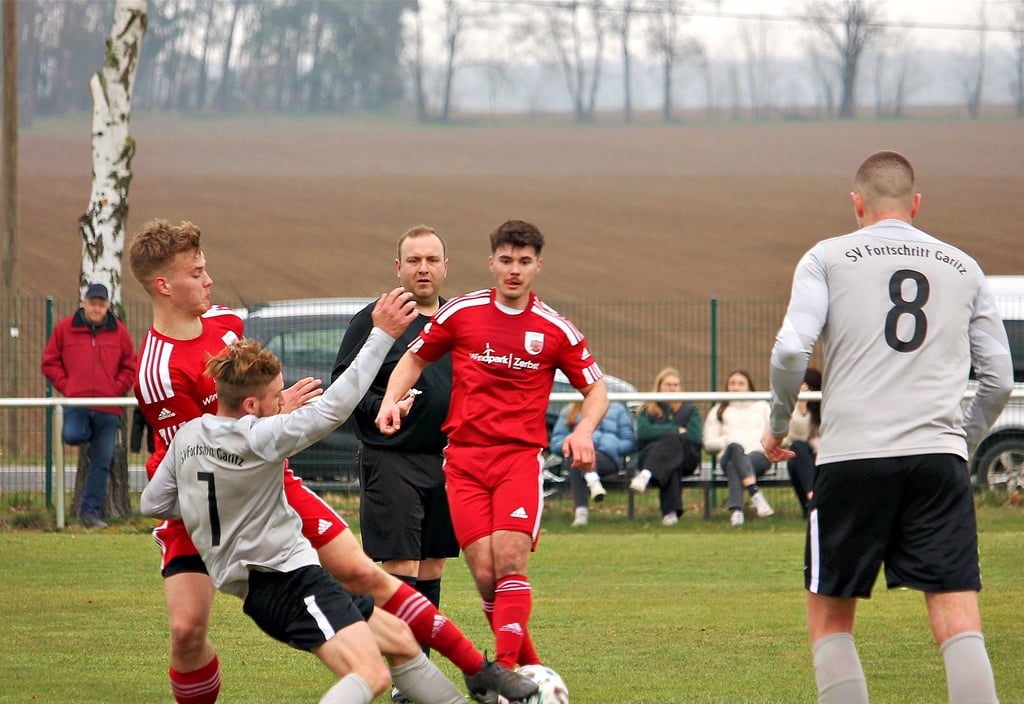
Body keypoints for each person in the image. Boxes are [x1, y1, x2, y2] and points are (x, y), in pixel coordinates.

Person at [129, 220, 535, 704]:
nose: (209, 280)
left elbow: (246, 416)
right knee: (186, 632)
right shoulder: (158, 371)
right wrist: (280, 424)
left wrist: (278, 413)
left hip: (273, 481)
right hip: (205, 505)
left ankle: (476, 668)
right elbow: (204, 460)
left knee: (368, 575)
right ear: (163, 285)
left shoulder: (226, 324)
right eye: (197, 273)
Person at [761, 150, 1014, 704]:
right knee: (957, 614)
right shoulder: (963, 266)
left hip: (852, 455)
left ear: (857, 203)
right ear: (915, 205)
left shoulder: (827, 257)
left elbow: (789, 352)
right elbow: (998, 378)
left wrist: (778, 424)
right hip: (938, 459)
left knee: (830, 617)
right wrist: (960, 442)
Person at [140, 329, 474, 704]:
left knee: (399, 639)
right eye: (277, 396)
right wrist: (381, 335)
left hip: (289, 576)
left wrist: (210, 503)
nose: (284, 401)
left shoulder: (188, 435)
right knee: (371, 673)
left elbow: (153, 504)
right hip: (285, 582)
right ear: (251, 405)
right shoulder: (258, 437)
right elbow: (334, 407)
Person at [376, 219, 610, 673]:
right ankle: (532, 672)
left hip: (518, 461)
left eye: (524, 262)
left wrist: (582, 432)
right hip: (463, 462)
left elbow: (596, 390)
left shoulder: (555, 328)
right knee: (486, 577)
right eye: (506, 260)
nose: (514, 270)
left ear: (537, 266)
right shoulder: (461, 313)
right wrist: (390, 400)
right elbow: (414, 357)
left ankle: (504, 676)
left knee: (509, 562)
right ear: (492, 263)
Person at [331, 225, 458, 703]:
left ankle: (417, 674)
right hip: (392, 459)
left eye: (432, 259)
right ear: (398, 267)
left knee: (433, 565)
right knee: (401, 563)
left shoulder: (457, 319)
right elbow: (344, 384)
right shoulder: (376, 319)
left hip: (447, 460)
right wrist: (384, 405)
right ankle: (406, 676)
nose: (423, 268)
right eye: (414, 260)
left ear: (446, 266)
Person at [41, 282, 136, 529]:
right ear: (84, 303)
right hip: (77, 404)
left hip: (108, 408)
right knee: (72, 435)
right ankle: (88, 434)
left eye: (101, 304)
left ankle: (89, 513)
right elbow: (50, 362)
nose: (96, 308)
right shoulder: (65, 329)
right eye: (93, 303)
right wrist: (68, 386)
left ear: (107, 307)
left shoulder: (120, 333)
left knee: (102, 462)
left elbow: (130, 367)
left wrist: (115, 389)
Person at [628, 367, 702, 526]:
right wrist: (676, 430)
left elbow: (695, 437)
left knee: (673, 445)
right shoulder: (647, 409)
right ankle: (670, 514)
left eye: (676, 385)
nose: (672, 388)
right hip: (650, 456)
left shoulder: (690, 409)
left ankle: (645, 475)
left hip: (687, 459)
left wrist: (666, 433)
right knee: (671, 462)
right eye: (668, 384)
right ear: (659, 386)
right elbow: (644, 432)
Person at [702, 369, 775, 526]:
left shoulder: (763, 407)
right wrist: (727, 441)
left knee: (734, 465)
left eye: (741, 384)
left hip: (758, 456)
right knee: (735, 448)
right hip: (729, 453)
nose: (736, 387)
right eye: (732, 383)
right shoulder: (718, 410)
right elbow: (708, 443)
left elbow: (775, 435)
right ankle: (755, 494)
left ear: (749, 387)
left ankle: (737, 512)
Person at [550, 400, 635, 526]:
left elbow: (628, 441)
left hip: (607, 458)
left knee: (583, 459)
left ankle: (581, 513)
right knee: (578, 457)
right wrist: (573, 443)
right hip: (578, 458)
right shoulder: (570, 411)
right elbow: (556, 443)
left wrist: (611, 445)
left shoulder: (617, 409)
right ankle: (592, 482)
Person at [784, 367, 822, 519]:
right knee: (797, 450)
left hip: (823, 455)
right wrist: (801, 409)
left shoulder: (826, 404)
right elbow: (798, 436)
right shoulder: (793, 406)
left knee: (798, 457)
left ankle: (812, 504)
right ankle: (812, 499)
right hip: (804, 458)